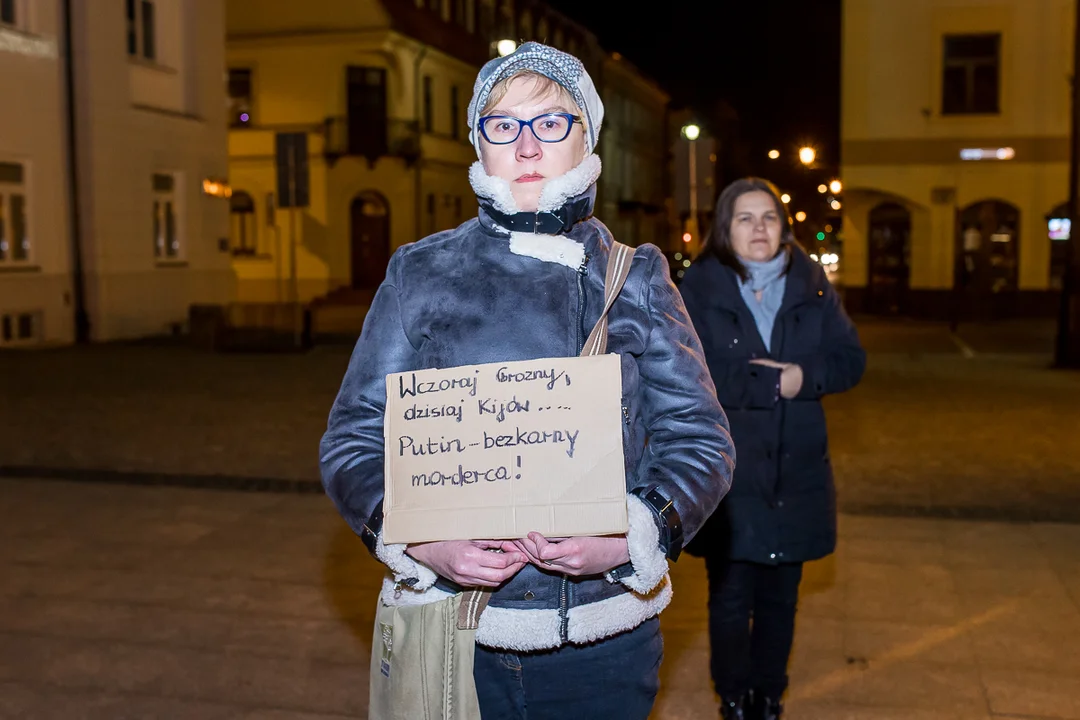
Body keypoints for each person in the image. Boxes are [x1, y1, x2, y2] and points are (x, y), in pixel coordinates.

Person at [320, 42, 734, 720]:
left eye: (550, 122)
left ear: (586, 139)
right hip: (457, 633)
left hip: (601, 641)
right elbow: (353, 441)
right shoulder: (420, 274)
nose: (528, 144)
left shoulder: (636, 274)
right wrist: (419, 541)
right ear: (479, 144)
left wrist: (634, 534)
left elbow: (702, 440)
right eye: (503, 124)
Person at [679, 178, 866, 720]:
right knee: (732, 597)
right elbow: (688, 372)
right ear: (724, 228)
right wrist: (763, 384)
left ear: (783, 227)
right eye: (745, 218)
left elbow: (851, 360)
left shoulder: (811, 283)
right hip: (733, 475)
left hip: (796, 472)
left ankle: (770, 696)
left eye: (768, 218)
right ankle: (733, 697)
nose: (758, 228)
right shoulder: (699, 288)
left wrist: (802, 378)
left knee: (782, 599)